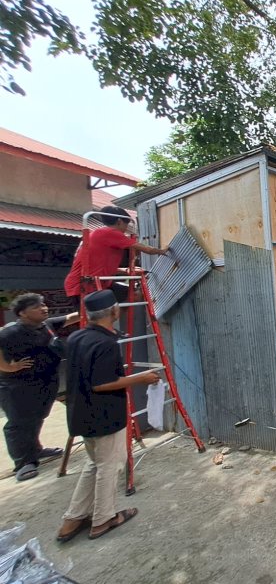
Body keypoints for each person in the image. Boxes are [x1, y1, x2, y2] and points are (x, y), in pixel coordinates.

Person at [56, 290, 160, 542]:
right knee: (110, 466)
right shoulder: (105, 344)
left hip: (80, 413)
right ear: (114, 312)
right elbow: (101, 384)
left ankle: (73, 518)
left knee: (94, 464)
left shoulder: (78, 337)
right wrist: (141, 378)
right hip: (103, 414)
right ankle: (103, 519)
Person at [0, 294, 79, 481]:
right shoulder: (10, 333)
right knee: (19, 423)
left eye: (43, 305)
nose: (44, 308)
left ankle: (36, 450)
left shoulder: (47, 325)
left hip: (45, 382)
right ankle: (23, 462)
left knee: (37, 417)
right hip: (18, 386)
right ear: (23, 314)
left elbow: (71, 318)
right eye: (37, 307)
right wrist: (9, 367)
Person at [64, 205, 168, 305]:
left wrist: (125, 270)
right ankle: (58, 322)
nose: (126, 229)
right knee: (95, 318)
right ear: (119, 221)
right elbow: (147, 249)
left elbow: (99, 264)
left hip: (95, 283)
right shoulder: (110, 233)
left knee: (134, 295)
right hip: (84, 285)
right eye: (126, 225)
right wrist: (163, 250)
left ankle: (59, 322)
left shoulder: (98, 234)